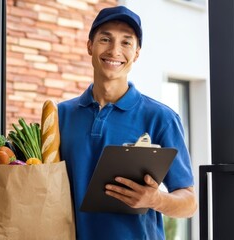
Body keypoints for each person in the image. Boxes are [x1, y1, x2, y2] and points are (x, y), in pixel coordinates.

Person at [58, 5, 197, 239]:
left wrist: (156, 199)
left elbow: (189, 202)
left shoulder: (161, 118)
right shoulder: (61, 115)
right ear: (90, 45)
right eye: (105, 39)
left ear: (137, 53)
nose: (114, 51)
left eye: (126, 42)